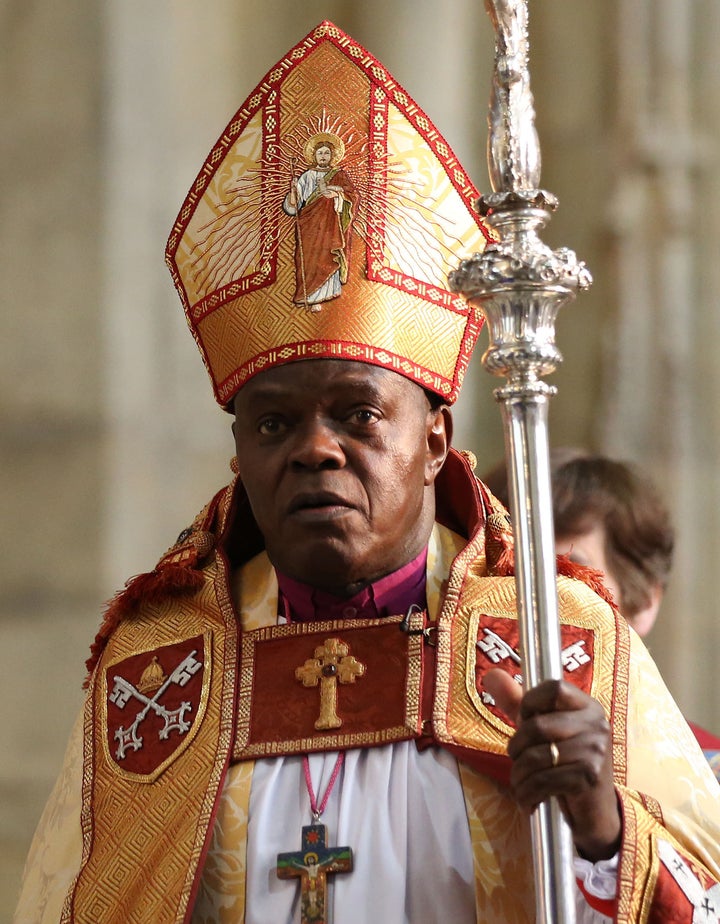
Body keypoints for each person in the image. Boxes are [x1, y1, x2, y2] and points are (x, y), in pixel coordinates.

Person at [15, 21, 720, 924]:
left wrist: (602, 831)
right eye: (274, 421)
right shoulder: (159, 673)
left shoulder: (558, 641)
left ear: (434, 442)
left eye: (357, 413)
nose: (314, 449)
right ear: (240, 455)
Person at [482, 446, 720, 776]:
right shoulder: (433, 764)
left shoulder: (705, 779)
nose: (527, 602)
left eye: (569, 574)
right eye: (507, 573)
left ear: (643, 602)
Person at [282, 133, 359, 309]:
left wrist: (337, 193)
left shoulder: (339, 175)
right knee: (308, 259)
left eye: (326, 153)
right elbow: (294, 206)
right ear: (314, 156)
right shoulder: (307, 176)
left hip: (331, 225)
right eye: (320, 153)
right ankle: (306, 295)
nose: (323, 156)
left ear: (332, 155)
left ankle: (325, 294)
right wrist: (293, 192)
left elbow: (352, 196)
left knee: (328, 255)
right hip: (308, 225)